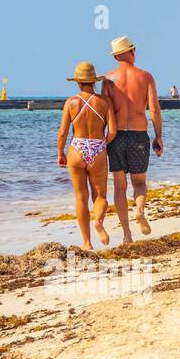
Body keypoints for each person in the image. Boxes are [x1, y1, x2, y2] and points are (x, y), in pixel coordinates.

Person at [102, 36, 163, 244]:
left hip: (116, 136)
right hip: (138, 135)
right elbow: (154, 109)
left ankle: (127, 235)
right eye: (134, 50)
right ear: (131, 52)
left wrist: (101, 141)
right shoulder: (146, 77)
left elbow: (105, 112)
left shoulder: (108, 79)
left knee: (120, 188)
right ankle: (139, 210)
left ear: (116, 56)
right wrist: (158, 136)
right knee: (139, 183)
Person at [57, 61, 117, 250]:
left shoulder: (71, 102)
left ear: (78, 82)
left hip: (77, 149)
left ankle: (86, 243)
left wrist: (60, 153)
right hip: (98, 148)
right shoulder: (105, 102)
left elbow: (63, 132)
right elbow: (113, 132)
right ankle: (98, 221)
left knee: (80, 197)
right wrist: (100, 145)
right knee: (100, 196)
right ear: (94, 81)